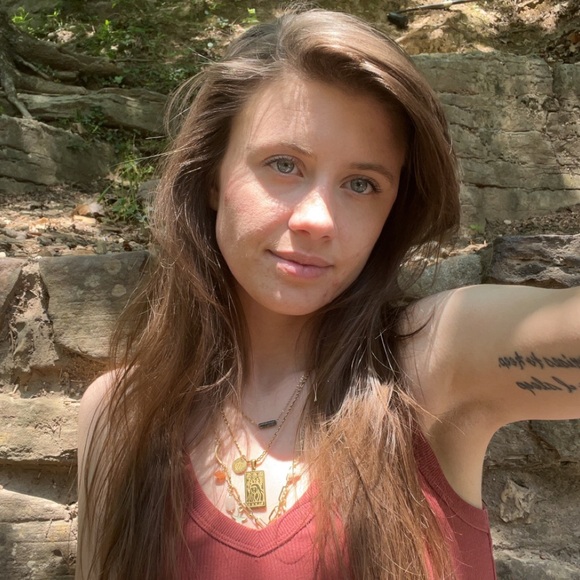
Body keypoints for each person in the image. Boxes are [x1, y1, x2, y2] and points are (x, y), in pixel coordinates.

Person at [76, 8, 580, 580]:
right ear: (213, 178)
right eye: (284, 164)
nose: (318, 219)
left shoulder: (437, 364)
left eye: (361, 184)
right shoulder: (119, 417)